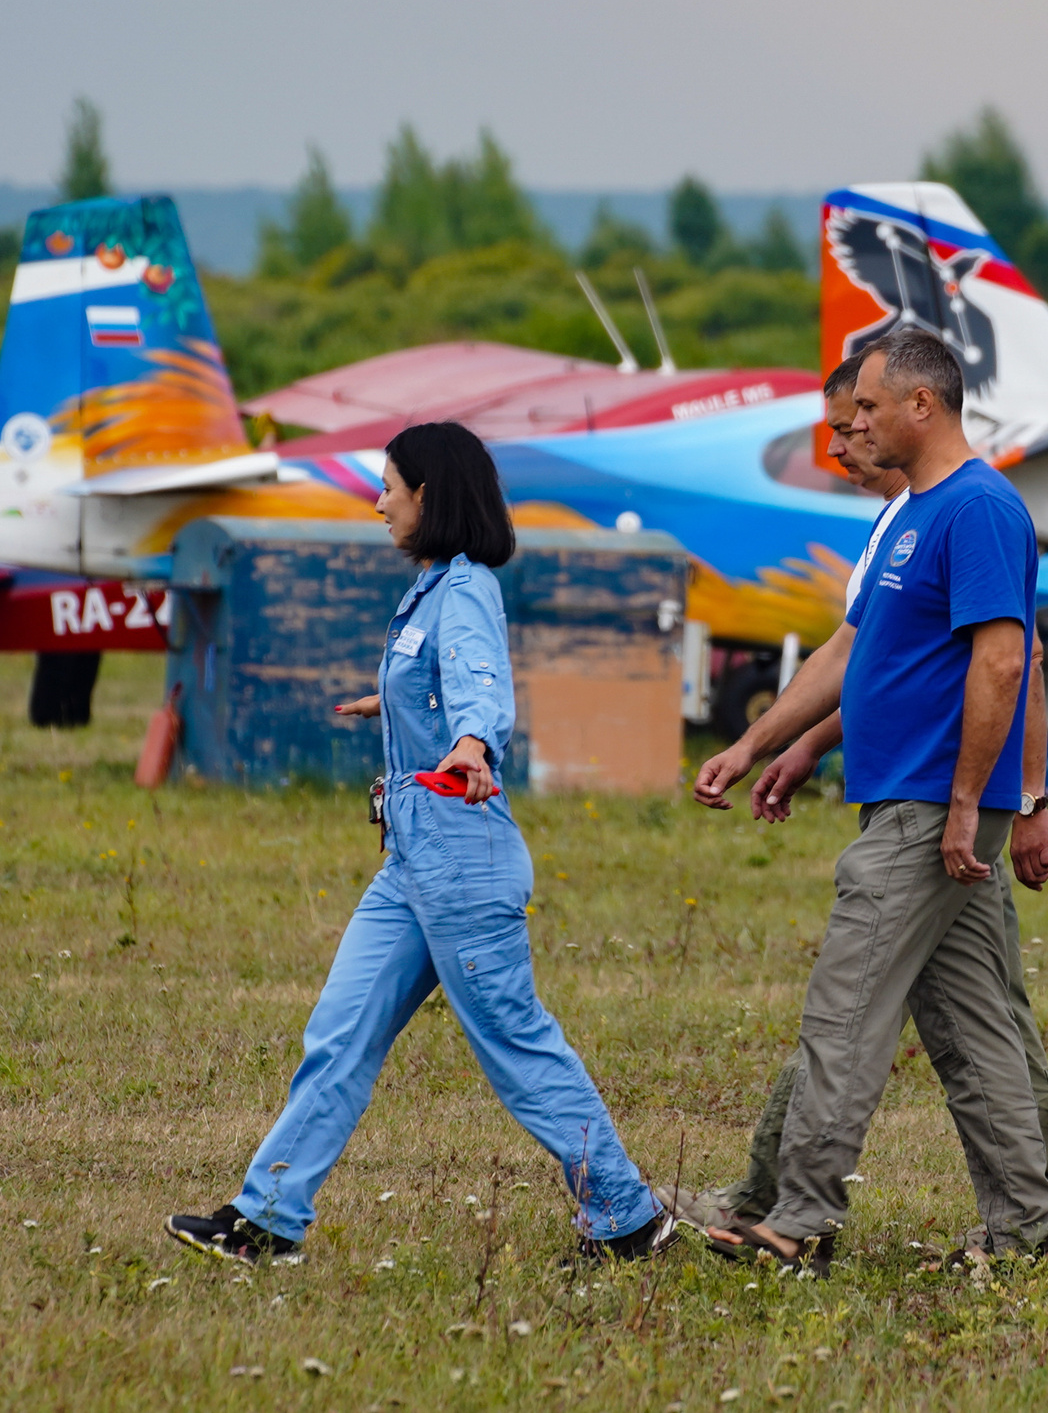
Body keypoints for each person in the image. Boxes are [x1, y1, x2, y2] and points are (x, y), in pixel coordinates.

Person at [167, 421, 676, 1265]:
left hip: (461, 853)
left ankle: (625, 1215)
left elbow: (481, 685)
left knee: (514, 1040)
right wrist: (396, 708)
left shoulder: (467, 587)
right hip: (413, 859)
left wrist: (472, 742)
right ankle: (267, 1217)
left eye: (389, 488)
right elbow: (435, 676)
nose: (378, 504)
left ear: (428, 496)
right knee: (340, 1030)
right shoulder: (434, 588)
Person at [670, 357, 1048, 1258]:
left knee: (846, 1012)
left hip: (925, 808)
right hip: (914, 801)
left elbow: (1008, 663)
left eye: (866, 406)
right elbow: (849, 653)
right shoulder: (916, 515)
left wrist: (973, 800)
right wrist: (758, 743)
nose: (851, 425)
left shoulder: (977, 508)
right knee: (975, 1025)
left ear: (921, 405)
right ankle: (1033, 1228)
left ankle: (799, 1220)